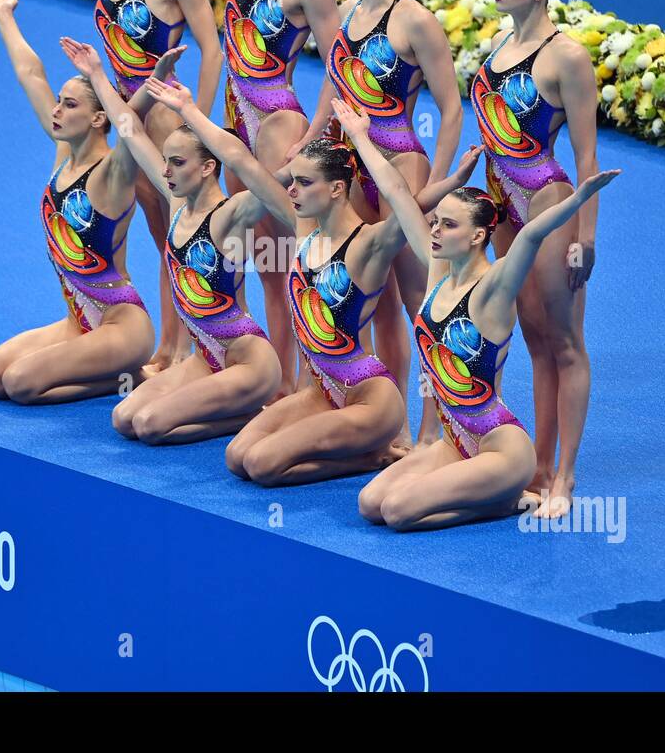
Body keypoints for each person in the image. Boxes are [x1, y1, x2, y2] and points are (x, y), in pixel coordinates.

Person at [172, 88, 477, 487]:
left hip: (367, 397)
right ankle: (361, 451)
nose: (291, 190)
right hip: (320, 391)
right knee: (236, 457)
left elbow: (401, 197)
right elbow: (239, 160)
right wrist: (189, 110)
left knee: (263, 465)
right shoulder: (303, 233)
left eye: (303, 182)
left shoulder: (371, 244)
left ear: (336, 188)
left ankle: (369, 457)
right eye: (292, 182)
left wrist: (364, 140)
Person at [350, 81, 620, 529]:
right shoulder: (437, 273)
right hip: (454, 443)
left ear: (478, 236)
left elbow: (531, 235)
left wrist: (579, 200)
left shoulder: (495, 285)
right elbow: (397, 195)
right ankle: (485, 495)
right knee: (370, 503)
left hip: (500, 448)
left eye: (448, 226)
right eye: (436, 223)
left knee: (398, 512)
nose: (434, 232)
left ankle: (506, 500)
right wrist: (359, 134)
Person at [292, 0, 465, 450]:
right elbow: (332, 93)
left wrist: (436, 186)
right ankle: (373, 418)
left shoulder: (413, 19)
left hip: (396, 162)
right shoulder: (343, 14)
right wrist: (307, 145)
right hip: (346, 165)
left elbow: (452, 106)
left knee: (420, 302)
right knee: (367, 295)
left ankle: (433, 430)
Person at [57, 38, 283, 443]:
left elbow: (244, 162)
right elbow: (128, 129)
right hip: (205, 356)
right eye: (168, 161)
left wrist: (191, 112)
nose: (167, 170)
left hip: (246, 360)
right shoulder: (177, 202)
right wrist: (95, 73)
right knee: (125, 417)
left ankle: (247, 411)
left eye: (178, 162)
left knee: (150, 425)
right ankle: (235, 408)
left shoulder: (235, 213)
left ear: (208, 167)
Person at [470, 0, 600, 517]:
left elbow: (588, 156)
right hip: (503, 206)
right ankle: (539, 465)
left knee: (564, 342)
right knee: (530, 338)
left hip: (547, 203)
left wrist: (586, 236)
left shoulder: (565, 57)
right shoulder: (500, 46)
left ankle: (565, 479)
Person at [0, 0, 155, 404]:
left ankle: (132, 377)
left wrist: (116, 79)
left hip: (120, 324)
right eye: (59, 102)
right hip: (78, 319)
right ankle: (119, 374)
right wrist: (4, 17)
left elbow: (130, 125)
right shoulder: (63, 154)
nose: (57, 110)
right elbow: (31, 75)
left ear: (98, 118)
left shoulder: (113, 171)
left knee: (22, 384)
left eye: (69, 104)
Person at [96, 0, 224, 373]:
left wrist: (199, 127)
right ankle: (171, 347)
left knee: (182, 243)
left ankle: (185, 350)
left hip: (164, 129)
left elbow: (212, 51)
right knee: (160, 241)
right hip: (129, 122)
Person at [222, 0, 343, 398]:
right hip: (236, 121)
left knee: (287, 265)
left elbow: (342, 63)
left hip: (276, 124)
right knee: (253, 261)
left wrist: (312, 137)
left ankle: (299, 389)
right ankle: (270, 380)